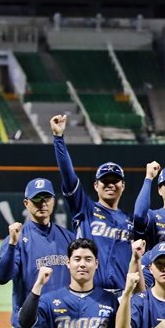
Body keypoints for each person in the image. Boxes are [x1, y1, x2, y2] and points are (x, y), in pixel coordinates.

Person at [0, 178, 74, 328]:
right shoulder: (18, 239)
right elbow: (3, 276)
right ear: (26, 203)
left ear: (54, 201)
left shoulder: (67, 237)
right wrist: (12, 244)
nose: (42, 203)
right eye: (37, 199)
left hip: (62, 323)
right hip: (30, 324)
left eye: (46, 198)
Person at [49, 114, 133, 293]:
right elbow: (68, 175)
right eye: (105, 181)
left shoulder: (129, 221)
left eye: (115, 180)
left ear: (123, 186)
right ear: (96, 185)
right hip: (90, 294)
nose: (110, 184)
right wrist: (58, 138)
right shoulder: (85, 208)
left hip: (122, 296)